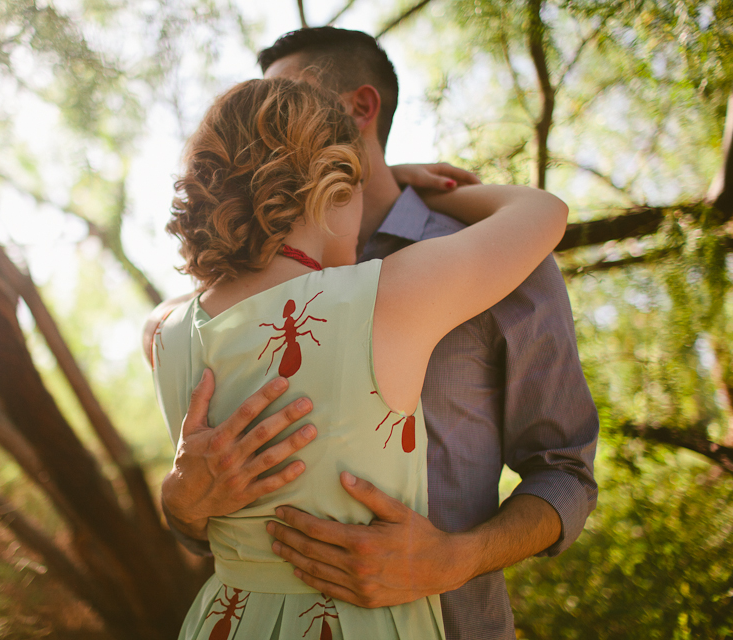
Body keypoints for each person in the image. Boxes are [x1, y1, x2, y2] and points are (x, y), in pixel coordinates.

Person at [151, 27, 599, 640]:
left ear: (359, 110)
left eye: (289, 99)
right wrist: (181, 500)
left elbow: (565, 472)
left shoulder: (499, 263)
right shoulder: (399, 289)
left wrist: (457, 558)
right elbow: (200, 522)